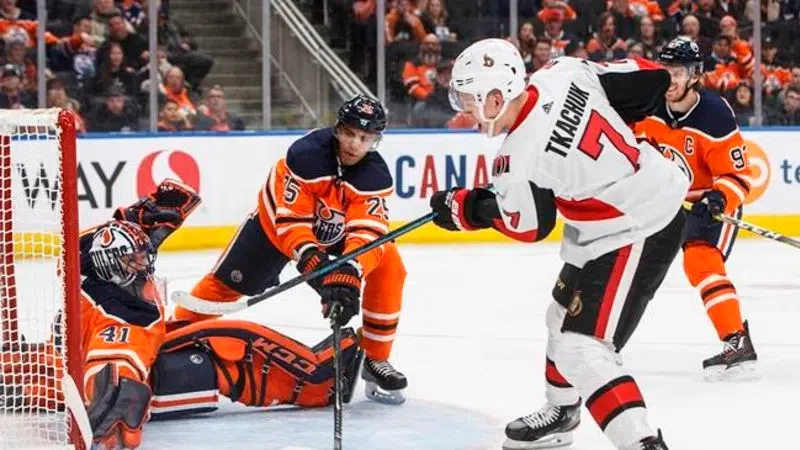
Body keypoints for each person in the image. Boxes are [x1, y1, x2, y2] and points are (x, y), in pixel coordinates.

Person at [429, 38, 690, 449]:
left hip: (637, 226)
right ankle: (562, 411)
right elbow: (650, 77)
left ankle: (642, 443)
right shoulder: (561, 72)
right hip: (610, 223)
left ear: (495, 98)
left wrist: (468, 209)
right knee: (560, 317)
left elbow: (530, 225)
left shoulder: (514, 159)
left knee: (581, 347)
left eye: (467, 99)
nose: (464, 111)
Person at [0, 179, 364, 449]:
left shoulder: (85, 265)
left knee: (40, 369)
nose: (144, 265)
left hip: (71, 355)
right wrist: (118, 401)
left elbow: (98, 238)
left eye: (144, 257)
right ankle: (320, 382)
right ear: (113, 265)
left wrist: (135, 217)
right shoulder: (121, 314)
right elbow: (117, 361)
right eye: (134, 261)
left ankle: (16, 374)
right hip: (143, 379)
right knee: (229, 343)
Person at [177, 94, 409, 405]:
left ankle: (375, 357)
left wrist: (350, 272)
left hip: (335, 234)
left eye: (365, 138)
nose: (355, 144)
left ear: (376, 140)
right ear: (338, 129)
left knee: (390, 264)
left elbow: (368, 233)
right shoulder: (306, 156)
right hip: (273, 230)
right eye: (350, 134)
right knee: (220, 288)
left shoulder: (374, 177)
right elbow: (291, 222)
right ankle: (172, 337)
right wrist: (314, 262)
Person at [633, 36, 758, 381]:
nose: (670, 79)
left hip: (708, 204)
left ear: (695, 75)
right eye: (666, 70)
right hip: (668, 203)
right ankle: (604, 338)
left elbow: (738, 176)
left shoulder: (714, 114)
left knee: (700, 261)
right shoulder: (649, 106)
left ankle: (737, 341)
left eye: (678, 72)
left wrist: (717, 198)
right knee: (632, 265)